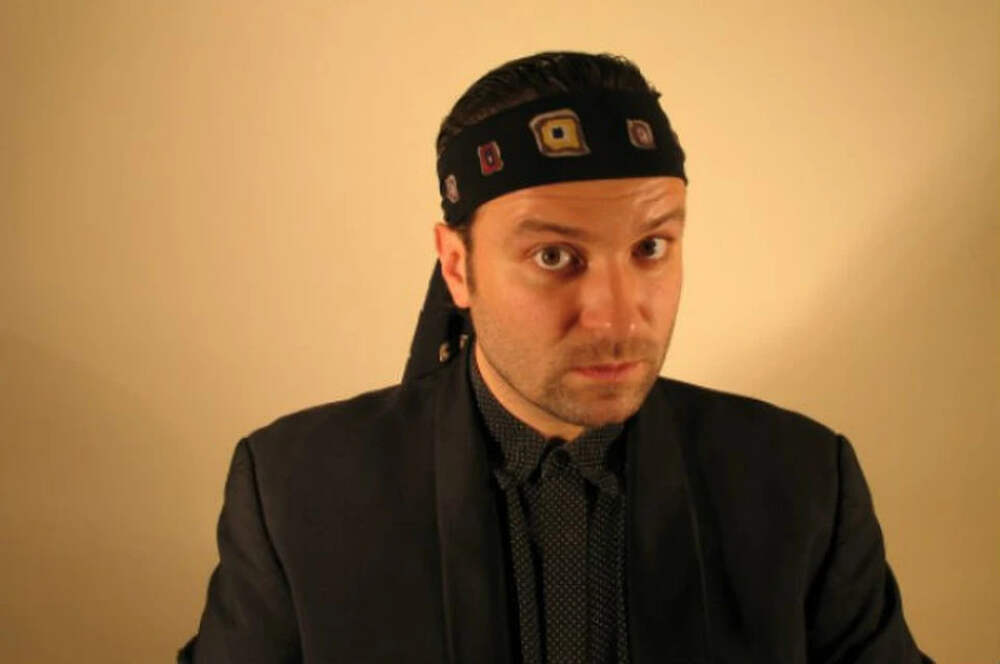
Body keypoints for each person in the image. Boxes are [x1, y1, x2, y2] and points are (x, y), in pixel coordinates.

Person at [178, 51, 933, 663]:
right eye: (553, 256)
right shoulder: (295, 494)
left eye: (651, 247)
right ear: (457, 266)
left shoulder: (802, 483)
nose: (617, 315)